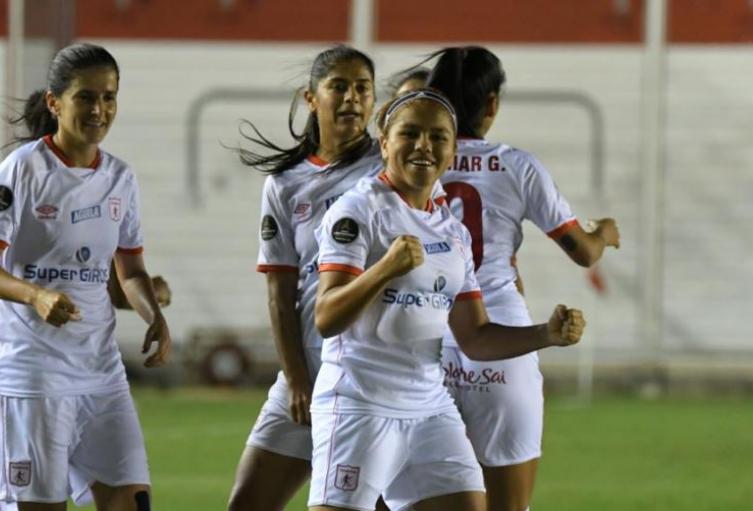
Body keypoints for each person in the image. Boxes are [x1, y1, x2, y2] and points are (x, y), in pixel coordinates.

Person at [308, 88, 585, 511]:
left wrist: (545, 334)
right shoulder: (357, 211)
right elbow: (326, 317)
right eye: (410, 133)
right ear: (384, 142)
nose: (424, 145)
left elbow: (474, 337)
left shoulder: (451, 230)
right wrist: (384, 270)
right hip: (361, 405)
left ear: (453, 150)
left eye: (438, 137)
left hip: (428, 408)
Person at [395, 47, 620, 511]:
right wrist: (606, 234)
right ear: (492, 104)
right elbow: (581, 251)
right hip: (500, 341)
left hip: (420, 344)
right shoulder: (516, 166)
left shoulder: (407, 166)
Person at [0, 43, 170, 511]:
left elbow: (129, 270)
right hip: (35, 375)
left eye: (109, 97)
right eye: (86, 97)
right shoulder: (22, 170)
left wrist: (152, 312)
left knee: (131, 501)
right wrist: (34, 296)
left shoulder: (120, 178)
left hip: (101, 373)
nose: (100, 109)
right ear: (55, 103)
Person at [226, 45, 384, 511]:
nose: (352, 98)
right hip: (308, 370)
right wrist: (296, 379)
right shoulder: (284, 184)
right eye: (339, 86)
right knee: (247, 503)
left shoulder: (387, 171)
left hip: (370, 372)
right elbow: (280, 295)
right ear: (311, 97)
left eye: (362, 88)